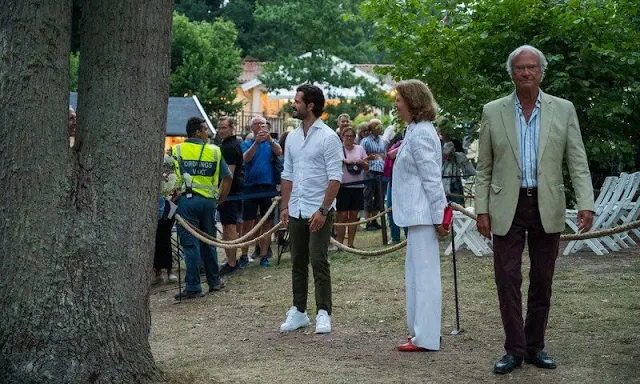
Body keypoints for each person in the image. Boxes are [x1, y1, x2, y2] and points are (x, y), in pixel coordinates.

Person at [475, 45, 595, 374]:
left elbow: (578, 161)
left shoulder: (563, 109)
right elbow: (484, 167)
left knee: (542, 279)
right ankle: (514, 349)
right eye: (519, 68)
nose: (526, 73)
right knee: (507, 278)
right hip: (506, 205)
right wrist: (481, 209)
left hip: (547, 203)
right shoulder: (493, 110)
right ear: (511, 73)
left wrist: (586, 202)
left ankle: (535, 346)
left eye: (532, 67)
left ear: (541, 72)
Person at [279, 84, 343, 334]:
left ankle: (323, 312)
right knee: (297, 261)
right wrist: (285, 205)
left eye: (297, 101)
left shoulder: (328, 137)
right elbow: (288, 174)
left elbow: (335, 178)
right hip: (296, 208)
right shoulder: (292, 137)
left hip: (320, 209)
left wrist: (323, 210)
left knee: (319, 260)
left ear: (311, 105)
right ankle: (299, 311)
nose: (293, 105)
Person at [391, 79, 449, 352]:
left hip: (423, 215)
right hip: (414, 216)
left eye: (400, 100)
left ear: (413, 102)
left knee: (425, 277)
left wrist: (439, 216)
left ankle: (426, 336)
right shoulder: (414, 130)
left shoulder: (423, 132)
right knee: (416, 275)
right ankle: (419, 332)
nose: (396, 105)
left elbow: (431, 179)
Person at [172, 117, 233, 300]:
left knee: (190, 244)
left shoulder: (177, 150)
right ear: (197, 132)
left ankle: (193, 286)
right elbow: (227, 177)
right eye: (206, 129)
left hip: (187, 202)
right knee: (209, 242)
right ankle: (214, 282)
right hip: (208, 203)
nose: (209, 132)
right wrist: (221, 198)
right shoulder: (215, 151)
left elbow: (169, 175)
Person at [240, 116, 283, 266]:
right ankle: (244, 255)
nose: (261, 127)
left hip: (268, 187)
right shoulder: (247, 143)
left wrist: (269, 139)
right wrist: (256, 143)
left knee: (267, 222)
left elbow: (279, 152)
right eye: (258, 124)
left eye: (264, 124)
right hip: (251, 187)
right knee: (248, 223)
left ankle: (264, 255)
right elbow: (246, 159)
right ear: (253, 128)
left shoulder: (272, 143)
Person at [216, 116, 247, 275]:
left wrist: (221, 196)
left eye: (224, 128)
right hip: (234, 192)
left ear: (232, 128)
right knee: (230, 227)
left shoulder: (228, 147)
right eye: (219, 128)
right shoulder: (233, 144)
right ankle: (231, 261)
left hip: (230, 194)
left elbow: (228, 175)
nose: (221, 131)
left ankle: (232, 263)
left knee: (229, 228)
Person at [335, 126, 368, 248]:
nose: (349, 138)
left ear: (355, 137)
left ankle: (350, 244)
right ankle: (340, 244)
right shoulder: (338, 149)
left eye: (351, 136)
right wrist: (345, 160)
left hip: (357, 186)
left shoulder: (360, 148)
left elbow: (366, 167)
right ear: (342, 137)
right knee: (342, 215)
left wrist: (362, 162)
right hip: (342, 187)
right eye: (346, 136)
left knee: (354, 215)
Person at [360, 119, 388, 230]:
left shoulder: (382, 141)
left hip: (381, 171)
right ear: (372, 128)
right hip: (370, 171)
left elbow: (384, 154)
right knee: (368, 196)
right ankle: (368, 222)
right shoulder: (365, 141)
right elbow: (362, 156)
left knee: (379, 196)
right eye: (377, 126)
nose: (380, 127)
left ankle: (375, 220)